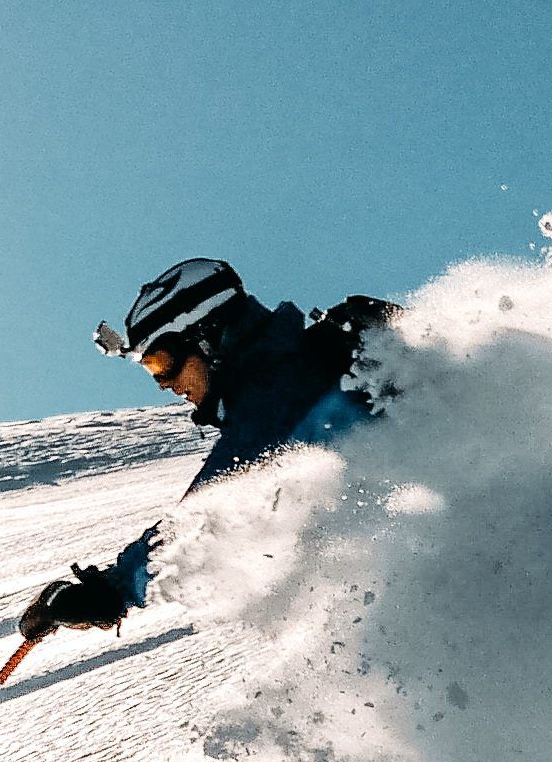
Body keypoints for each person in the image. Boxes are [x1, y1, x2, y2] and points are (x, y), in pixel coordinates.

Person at [20, 257, 395, 637]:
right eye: (151, 370)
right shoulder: (286, 378)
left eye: (161, 362)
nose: (162, 384)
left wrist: (111, 591)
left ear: (208, 334)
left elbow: (206, 515)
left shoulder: (283, 388)